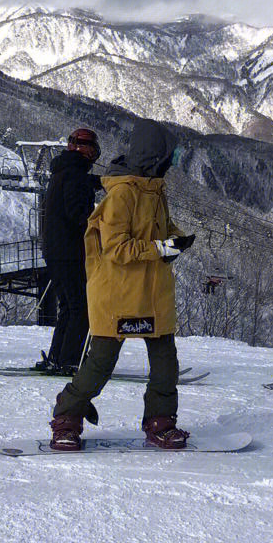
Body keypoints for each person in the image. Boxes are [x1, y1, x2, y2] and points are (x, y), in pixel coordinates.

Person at [48, 118, 194, 451]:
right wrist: (160, 249)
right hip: (117, 294)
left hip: (152, 293)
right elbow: (116, 248)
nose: (173, 162)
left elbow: (164, 227)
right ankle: (66, 418)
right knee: (100, 363)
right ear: (155, 156)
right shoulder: (122, 195)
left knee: (165, 364)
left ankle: (161, 422)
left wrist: (177, 239)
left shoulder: (154, 190)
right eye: (170, 155)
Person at [37, 127, 103, 375]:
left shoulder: (64, 171)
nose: (94, 154)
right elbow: (77, 213)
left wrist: (98, 182)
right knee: (80, 308)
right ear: (84, 149)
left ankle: (58, 356)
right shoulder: (74, 174)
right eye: (93, 148)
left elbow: (80, 187)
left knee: (68, 305)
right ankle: (70, 361)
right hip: (69, 251)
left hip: (55, 250)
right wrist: (101, 224)